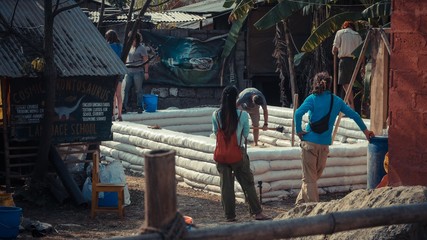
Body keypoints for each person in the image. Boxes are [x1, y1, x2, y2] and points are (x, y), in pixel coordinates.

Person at [294, 72, 374, 204]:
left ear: (315, 84)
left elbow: (298, 113)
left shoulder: (312, 99)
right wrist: (366, 132)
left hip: (309, 143)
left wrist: (298, 130)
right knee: (311, 179)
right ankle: (300, 206)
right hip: (324, 145)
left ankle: (312, 210)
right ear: (330, 85)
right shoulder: (337, 101)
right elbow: (354, 115)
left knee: (310, 180)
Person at [212, 85, 271, 222]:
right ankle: (257, 212)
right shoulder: (243, 115)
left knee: (226, 186)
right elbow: (245, 135)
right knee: (247, 183)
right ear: (235, 99)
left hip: (221, 155)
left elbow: (215, 132)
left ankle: (230, 216)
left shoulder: (215, 115)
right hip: (238, 154)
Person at [332, 20, 363, 110]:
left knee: (346, 84)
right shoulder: (357, 35)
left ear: (344, 26)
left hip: (345, 60)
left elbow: (334, 48)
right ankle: (350, 106)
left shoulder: (340, 33)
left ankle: (350, 107)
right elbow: (362, 51)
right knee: (351, 84)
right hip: (355, 61)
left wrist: (334, 51)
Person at [123, 31, 149, 114]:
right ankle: (123, 107)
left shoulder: (141, 48)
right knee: (125, 89)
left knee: (138, 90)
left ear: (136, 39)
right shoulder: (129, 47)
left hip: (138, 71)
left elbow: (146, 61)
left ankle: (139, 106)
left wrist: (146, 72)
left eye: (132, 39)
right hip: (129, 71)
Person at [105, 29, 124, 121]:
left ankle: (112, 114)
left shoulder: (108, 46)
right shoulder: (121, 46)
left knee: (112, 95)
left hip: (112, 72)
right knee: (119, 94)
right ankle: (120, 115)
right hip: (120, 71)